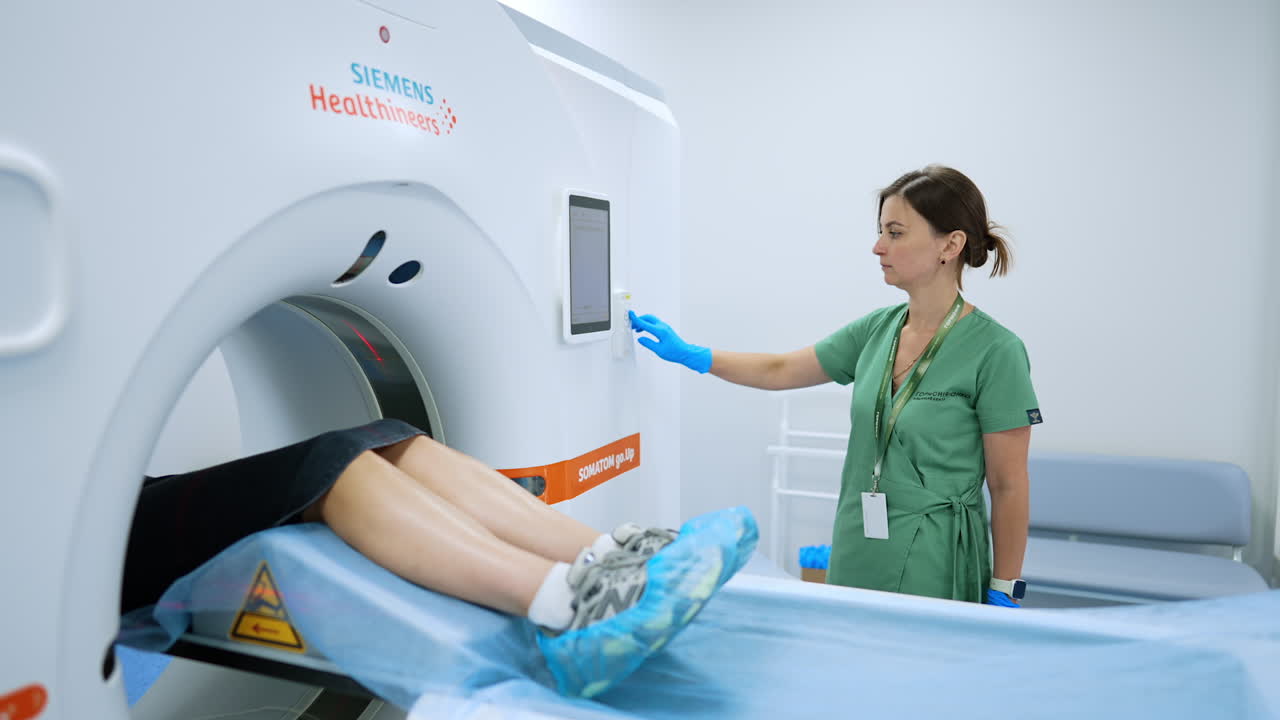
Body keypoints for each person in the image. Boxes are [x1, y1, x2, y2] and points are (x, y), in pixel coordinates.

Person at [629, 165, 1038, 607]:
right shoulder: (876, 331)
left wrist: (1005, 586)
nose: (878, 247)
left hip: (937, 556)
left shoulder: (996, 351)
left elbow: (1008, 484)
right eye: (881, 231)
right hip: (859, 541)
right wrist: (696, 355)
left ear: (950, 244)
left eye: (895, 233)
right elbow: (781, 369)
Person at [123, 418, 756, 697]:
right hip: (101, 537)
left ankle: (608, 556)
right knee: (328, 468)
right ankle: (571, 605)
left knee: (396, 438)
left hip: (127, 496)